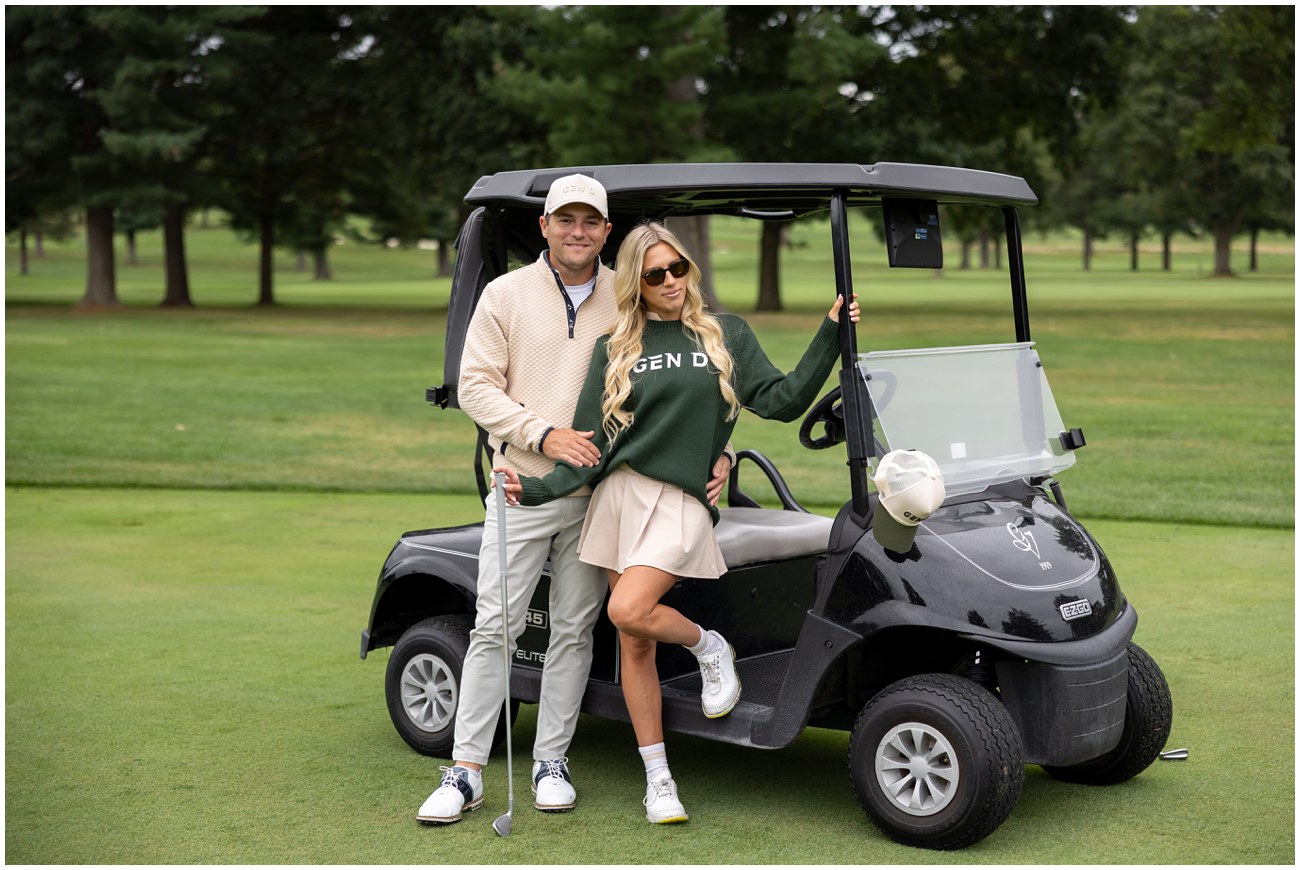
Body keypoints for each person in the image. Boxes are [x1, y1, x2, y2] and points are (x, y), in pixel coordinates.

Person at [496, 221, 858, 824]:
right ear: (634, 284)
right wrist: (533, 489)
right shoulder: (614, 348)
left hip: (683, 500)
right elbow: (592, 447)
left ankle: (709, 646)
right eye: (654, 274)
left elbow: (785, 399)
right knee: (635, 641)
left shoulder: (726, 334)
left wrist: (830, 332)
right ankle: (658, 778)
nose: (670, 281)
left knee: (627, 610)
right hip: (619, 498)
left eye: (678, 268)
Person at [417, 178, 736, 825]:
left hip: (603, 499)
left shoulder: (629, 294)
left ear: (606, 230)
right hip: (523, 485)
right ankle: (466, 770)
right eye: (566, 219)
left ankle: (551, 762)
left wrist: (720, 453)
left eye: (591, 221)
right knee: (495, 626)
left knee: (573, 630)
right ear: (545, 227)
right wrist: (543, 434)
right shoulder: (506, 295)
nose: (578, 232)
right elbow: (475, 387)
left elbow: (690, 377)